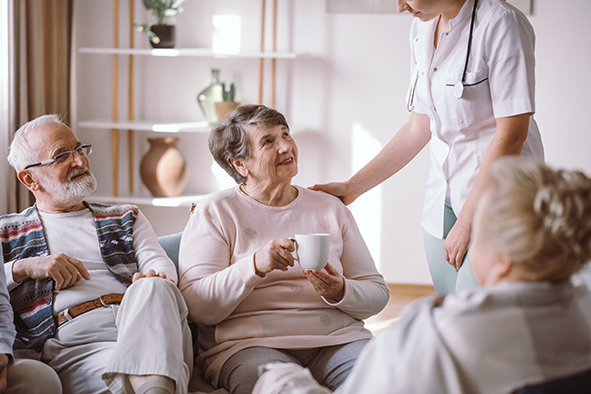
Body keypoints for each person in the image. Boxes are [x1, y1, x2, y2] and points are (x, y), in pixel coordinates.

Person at [257, 157, 591, 393]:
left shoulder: (438, 334)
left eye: (479, 232)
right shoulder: (583, 313)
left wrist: (283, 381)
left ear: (503, 260)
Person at [311, 0, 545, 294]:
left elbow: (512, 134)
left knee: (473, 318)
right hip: (443, 194)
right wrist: (353, 187)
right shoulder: (421, 27)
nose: (399, 7)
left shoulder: (501, 23)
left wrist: (468, 222)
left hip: (497, 195)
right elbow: (418, 127)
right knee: (448, 310)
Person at [178, 104, 390, 394]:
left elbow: (377, 294)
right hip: (251, 347)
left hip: (339, 340)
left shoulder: (329, 206)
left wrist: (340, 291)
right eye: (269, 141)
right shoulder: (216, 211)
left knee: (384, 381)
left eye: (286, 134)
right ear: (240, 164)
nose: (286, 146)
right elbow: (197, 306)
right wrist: (254, 266)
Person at [1, 114, 193, 394]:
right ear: (30, 178)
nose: (79, 161)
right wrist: (24, 267)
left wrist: (155, 277)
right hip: (78, 345)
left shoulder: (125, 216)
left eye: (79, 149)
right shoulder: (7, 231)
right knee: (135, 374)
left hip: (146, 324)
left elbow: (157, 261)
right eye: (62, 156)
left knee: (154, 286)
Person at [0, 253, 62, 394]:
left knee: (39, 378)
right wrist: (18, 268)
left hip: (119, 322)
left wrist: (1, 350)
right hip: (67, 332)